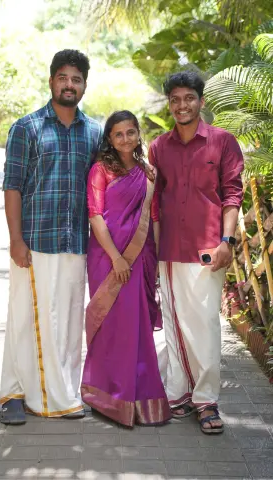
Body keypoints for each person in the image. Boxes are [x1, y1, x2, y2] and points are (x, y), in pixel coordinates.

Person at [0, 49, 102, 424]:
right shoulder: (26, 128)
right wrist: (15, 239)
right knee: (25, 316)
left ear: (84, 85)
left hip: (75, 241)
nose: (69, 84)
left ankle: (64, 390)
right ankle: (15, 393)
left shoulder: (94, 131)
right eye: (63, 77)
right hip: (34, 240)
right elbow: (13, 187)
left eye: (76, 79)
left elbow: (103, 185)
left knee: (69, 320)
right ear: (51, 82)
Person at [149, 71, 244, 434]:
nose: (182, 105)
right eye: (175, 99)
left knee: (203, 325)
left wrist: (227, 241)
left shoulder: (223, 142)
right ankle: (179, 393)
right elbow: (154, 200)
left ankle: (206, 400)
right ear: (169, 104)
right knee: (174, 325)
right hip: (169, 248)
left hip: (208, 248)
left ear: (201, 101)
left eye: (189, 98)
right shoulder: (159, 147)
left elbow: (232, 195)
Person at [81, 110, 171, 427]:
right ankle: (107, 396)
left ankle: (142, 398)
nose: (125, 139)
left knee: (138, 328)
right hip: (108, 259)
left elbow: (155, 217)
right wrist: (117, 257)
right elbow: (95, 216)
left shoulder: (148, 173)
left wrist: (156, 260)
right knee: (112, 326)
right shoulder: (101, 170)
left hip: (141, 256)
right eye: (118, 134)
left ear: (138, 134)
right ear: (109, 138)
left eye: (130, 132)